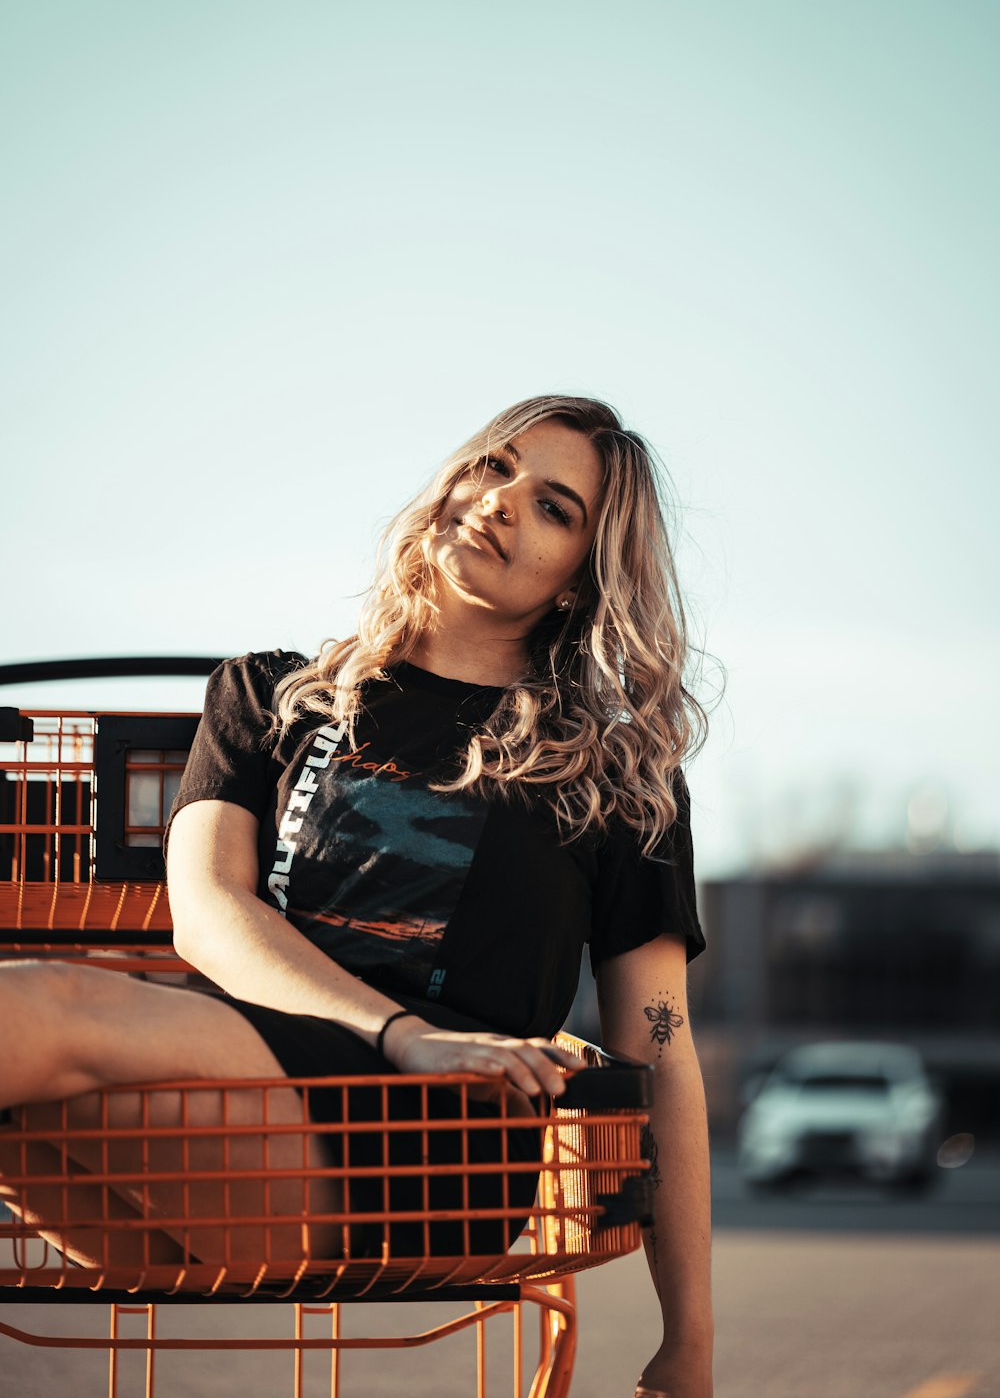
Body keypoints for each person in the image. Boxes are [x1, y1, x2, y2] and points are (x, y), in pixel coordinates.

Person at [0, 394, 713, 1398]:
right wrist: (393, 1030)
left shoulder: (608, 765)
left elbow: (660, 1045)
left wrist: (690, 1339)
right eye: (493, 466)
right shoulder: (271, 696)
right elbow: (209, 913)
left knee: (32, 1008)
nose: (500, 501)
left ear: (577, 583)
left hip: (428, 1155)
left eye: (554, 508)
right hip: (243, 1097)